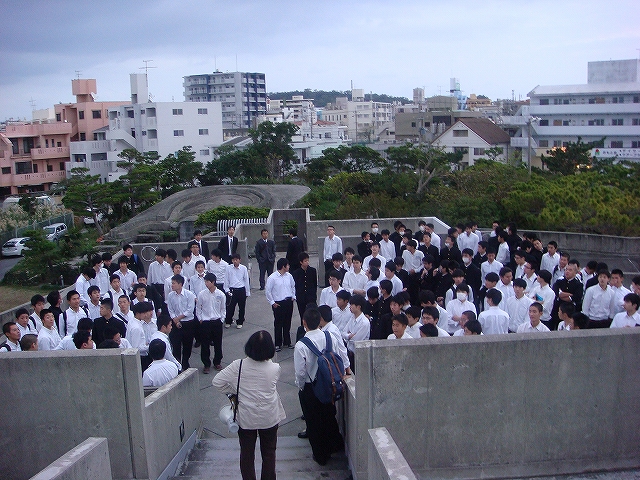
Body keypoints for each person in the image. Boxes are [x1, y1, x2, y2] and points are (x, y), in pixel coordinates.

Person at [213, 330, 286, 480]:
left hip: (246, 417)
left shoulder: (238, 366)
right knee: (269, 453)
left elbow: (217, 382)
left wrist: (234, 392)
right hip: (269, 416)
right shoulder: (275, 368)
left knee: (246, 454)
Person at [294, 308, 344, 466]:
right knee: (329, 415)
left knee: (314, 422)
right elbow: (337, 357)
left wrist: (301, 387)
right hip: (329, 384)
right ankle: (336, 445)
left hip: (311, 387)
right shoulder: (329, 337)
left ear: (304, 323)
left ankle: (321, 455)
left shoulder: (301, 345)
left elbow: (300, 373)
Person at [166, 274, 197, 371]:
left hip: (188, 323)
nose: (172, 285)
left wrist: (178, 318)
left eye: (174, 283)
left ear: (180, 284)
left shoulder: (189, 295)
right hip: (175, 323)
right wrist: (175, 320)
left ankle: (185, 363)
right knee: (176, 345)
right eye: (172, 283)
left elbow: (189, 310)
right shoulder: (170, 295)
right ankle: (177, 365)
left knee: (187, 345)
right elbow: (170, 309)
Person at [197, 273, 227, 373]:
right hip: (205, 322)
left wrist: (222, 319)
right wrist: (200, 319)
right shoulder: (202, 294)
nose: (205, 283)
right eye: (205, 281)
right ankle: (206, 364)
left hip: (217, 321)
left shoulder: (220, 294)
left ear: (213, 282)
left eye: (207, 281)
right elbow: (198, 308)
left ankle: (217, 361)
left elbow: (223, 309)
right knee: (205, 344)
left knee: (218, 343)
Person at [265, 258, 296, 352]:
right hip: (278, 303)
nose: (289, 267)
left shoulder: (289, 276)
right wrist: (272, 302)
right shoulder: (272, 278)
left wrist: (293, 296)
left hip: (288, 301)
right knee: (278, 323)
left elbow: (293, 286)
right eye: (288, 265)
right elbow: (268, 291)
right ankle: (278, 343)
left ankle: (287, 341)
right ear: (283, 266)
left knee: (287, 322)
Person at [224, 253, 251, 329]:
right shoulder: (228, 268)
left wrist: (247, 292)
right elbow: (226, 279)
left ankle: (240, 321)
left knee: (241, 307)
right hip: (232, 289)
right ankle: (228, 321)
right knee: (230, 307)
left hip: (241, 289)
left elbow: (246, 280)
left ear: (239, 260)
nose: (235, 261)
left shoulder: (243, 268)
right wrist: (227, 289)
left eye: (236, 260)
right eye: (233, 260)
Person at [293, 252, 318, 320]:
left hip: (311, 296)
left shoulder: (312, 271)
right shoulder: (296, 273)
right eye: (305, 261)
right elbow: (296, 286)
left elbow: (314, 283)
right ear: (301, 262)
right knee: (302, 314)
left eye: (308, 260)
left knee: (313, 314)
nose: (307, 262)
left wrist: (314, 295)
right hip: (301, 297)